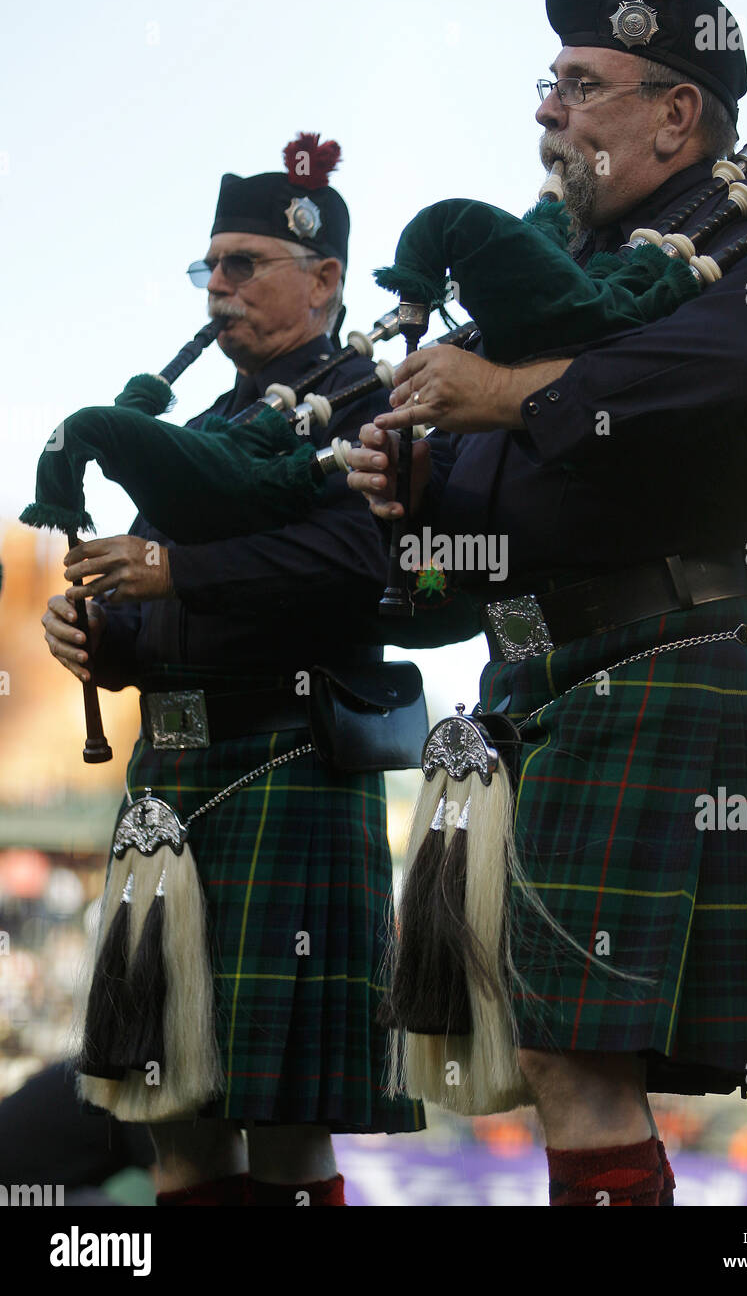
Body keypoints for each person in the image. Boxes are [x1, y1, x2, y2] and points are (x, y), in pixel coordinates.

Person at [347, 0, 747, 1207]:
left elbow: (719, 373)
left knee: (574, 1048)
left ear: (676, 114)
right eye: (546, 84)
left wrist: (502, 394)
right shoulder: (549, 282)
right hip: (539, 683)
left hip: (671, 665)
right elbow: (466, 569)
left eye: (575, 84)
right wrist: (410, 502)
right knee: (551, 1052)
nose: (545, 109)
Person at [41, 134, 426, 1206]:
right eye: (208, 268)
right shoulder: (204, 427)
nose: (218, 289)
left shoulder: (363, 401)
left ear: (325, 277)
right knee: (175, 1125)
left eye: (242, 264)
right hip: (171, 782)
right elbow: (162, 606)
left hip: (286, 764)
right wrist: (104, 639)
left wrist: (173, 565)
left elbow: (358, 562)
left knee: (286, 1125)